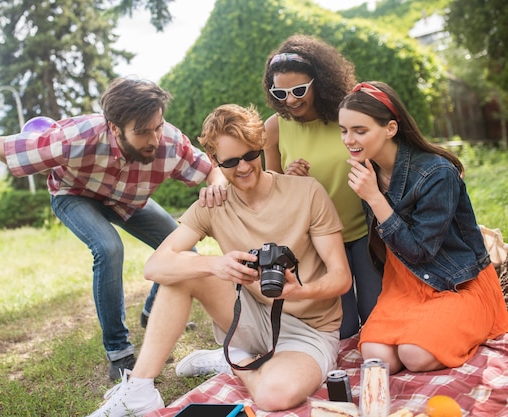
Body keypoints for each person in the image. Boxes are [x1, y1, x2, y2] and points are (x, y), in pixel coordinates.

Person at [86, 103, 352, 417]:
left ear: (261, 147)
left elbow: (341, 277)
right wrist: (216, 264)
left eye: (251, 155)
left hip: (309, 329)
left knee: (274, 395)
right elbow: (154, 267)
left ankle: (235, 358)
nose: (243, 168)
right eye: (230, 161)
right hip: (251, 315)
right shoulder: (214, 203)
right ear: (213, 160)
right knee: (181, 272)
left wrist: (299, 291)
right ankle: (140, 388)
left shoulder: (307, 192)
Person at [0, 77, 227, 380]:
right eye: (142, 132)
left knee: (183, 249)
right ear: (114, 127)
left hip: (128, 200)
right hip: (75, 195)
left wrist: (215, 187)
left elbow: (212, 169)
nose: (154, 139)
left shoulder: (170, 142)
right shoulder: (73, 138)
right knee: (109, 248)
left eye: (158, 126)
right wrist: (26, 150)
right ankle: (119, 355)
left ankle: (154, 311)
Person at [339, 81, 508, 374]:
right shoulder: (369, 170)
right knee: (378, 359)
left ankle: (470, 325)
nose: (348, 139)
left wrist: (375, 199)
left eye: (360, 131)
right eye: (343, 130)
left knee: (415, 356)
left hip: (454, 284)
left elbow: (420, 251)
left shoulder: (436, 173)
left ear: (390, 129)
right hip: (402, 286)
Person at [262, 34, 382, 339]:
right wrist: (288, 180)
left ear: (321, 81)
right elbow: (271, 193)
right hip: (320, 244)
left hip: (365, 235)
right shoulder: (274, 128)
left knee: (376, 318)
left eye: (299, 90)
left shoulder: (348, 115)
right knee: (344, 330)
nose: (290, 100)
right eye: (280, 92)